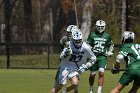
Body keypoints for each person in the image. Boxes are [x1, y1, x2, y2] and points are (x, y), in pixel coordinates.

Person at [87, 20, 114, 93]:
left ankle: (99, 91)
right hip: (93, 57)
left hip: (102, 57)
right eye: (98, 27)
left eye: (102, 27)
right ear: (96, 26)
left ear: (104, 27)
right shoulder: (92, 34)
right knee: (92, 74)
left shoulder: (107, 35)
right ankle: (91, 89)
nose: (100, 28)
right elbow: (88, 44)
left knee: (101, 72)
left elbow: (111, 44)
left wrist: (110, 51)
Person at [59, 25, 80, 93]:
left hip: (75, 62)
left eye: (70, 33)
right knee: (60, 83)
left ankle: (66, 91)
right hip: (65, 63)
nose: (69, 34)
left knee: (75, 82)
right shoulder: (64, 40)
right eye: (68, 33)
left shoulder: (78, 40)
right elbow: (62, 51)